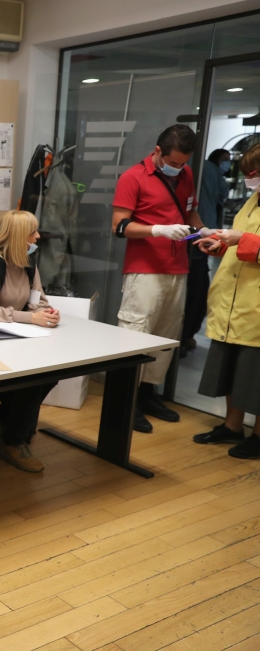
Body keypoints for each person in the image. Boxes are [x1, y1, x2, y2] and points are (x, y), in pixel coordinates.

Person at [111, 125, 205, 433]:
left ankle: (148, 394)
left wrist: (203, 234)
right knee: (136, 335)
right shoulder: (133, 178)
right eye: (174, 162)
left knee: (165, 336)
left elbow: (190, 215)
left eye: (183, 163)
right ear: (157, 151)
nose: (178, 169)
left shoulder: (186, 176)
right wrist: (158, 229)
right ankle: (127, 401)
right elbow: (119, 226)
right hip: (144, 269)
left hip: (177, 268)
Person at [0, 210, 59, 472]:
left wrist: (48, 312)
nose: (37, 236)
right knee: (29, 381)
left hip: (15, 337)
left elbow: (39, 300)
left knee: (50, 374)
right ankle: (14, 440)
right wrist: (30, 318)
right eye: (32, 232)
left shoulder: (28, 261)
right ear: (18, 237)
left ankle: (3, 421)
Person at [192, 143, 260, 459]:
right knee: (232, 368)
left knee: (255, 374)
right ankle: (232, 426)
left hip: (255, 306)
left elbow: (248, 242)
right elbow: (241, 240)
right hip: (235, 299)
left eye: (255, 173)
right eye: (247, 173)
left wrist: (241, 241)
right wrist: (220, 245)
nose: (250, 178)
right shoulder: (253, 201)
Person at [182, 148, 231, 354]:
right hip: (203, 237)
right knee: (197, 292)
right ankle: (186, 338)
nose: (227, 165)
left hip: (185, 237)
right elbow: (223, 196)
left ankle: (182, 339)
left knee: (192, 291)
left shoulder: (182, 169)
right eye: (225, 161)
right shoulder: (211, 172)